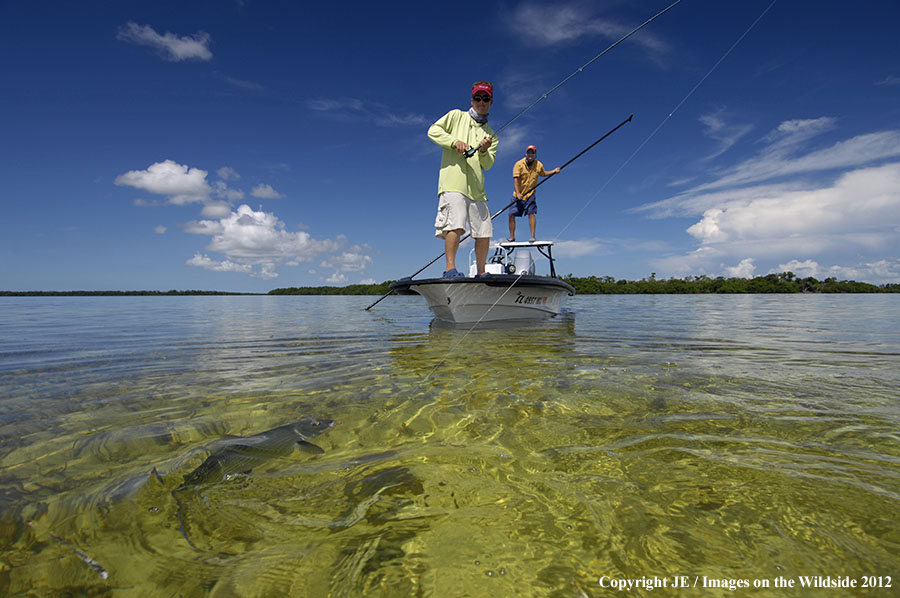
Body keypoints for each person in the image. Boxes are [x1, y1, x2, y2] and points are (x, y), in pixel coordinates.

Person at [427, 81, 498, 278]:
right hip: (453, 182)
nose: (481, 102)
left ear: (491, 102)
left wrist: (483, 151)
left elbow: (488, 164)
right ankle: (450, 269)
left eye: (485, 98)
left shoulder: (492, 135)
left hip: (477, 189)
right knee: (455, 225)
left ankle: (482, 273)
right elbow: (432, 131)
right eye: (477, 98)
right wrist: (454, 142)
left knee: (484, 231)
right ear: (472, 100)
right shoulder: (455, 116)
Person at [508, 145, 559, 243]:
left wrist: (554, 171)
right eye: (529, 152)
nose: (530, 154)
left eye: (533, 152)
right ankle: (512, 237)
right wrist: (518, 193)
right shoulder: (518, 164)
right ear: (526, 154)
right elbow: (515, 180)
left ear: (535, 154)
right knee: (511, 214)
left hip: (530, 194)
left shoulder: (539, 164)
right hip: (517, 195)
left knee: (531, 213)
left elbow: (543, 173)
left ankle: (532, 236)